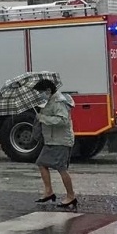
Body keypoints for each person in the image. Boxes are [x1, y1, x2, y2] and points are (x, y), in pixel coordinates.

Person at [32, 78, 78, 210]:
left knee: (61, 168)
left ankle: (71, 196)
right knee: (41, 163)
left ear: (48, 90)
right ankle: (49, 191)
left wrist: (43, 118)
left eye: (40, 92)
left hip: (61, 141)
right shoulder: (51, 101)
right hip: (51, 140)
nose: (40, 95)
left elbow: (63, 120)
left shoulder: (58, 102)